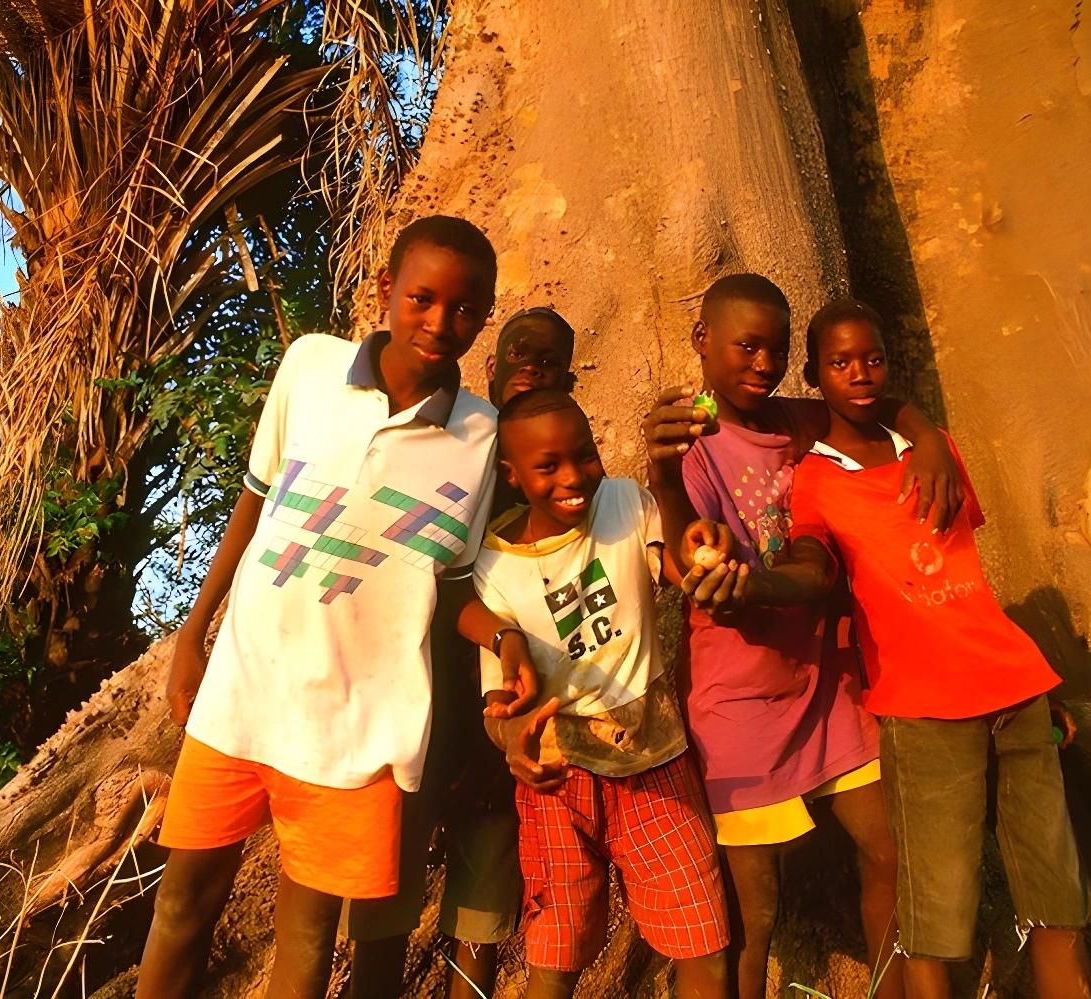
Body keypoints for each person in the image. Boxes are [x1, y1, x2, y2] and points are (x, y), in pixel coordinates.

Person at [137, 216, 538, 999]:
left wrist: (504, 634)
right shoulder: (309, 367)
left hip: (361, 726)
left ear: (485, 315)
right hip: (244, 692)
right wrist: (194, 632)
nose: (439, 322)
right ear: (386, 289)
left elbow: (449, 581)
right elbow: (251, 505)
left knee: (310, 936)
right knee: (182, 904)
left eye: (465, 309)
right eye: (421, 297)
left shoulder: (481, 433)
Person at [696, 298, 1091, 999]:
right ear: (814, 377)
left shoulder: (934, 451)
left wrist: (928, 435)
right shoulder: (813, 480)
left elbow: (964, 580)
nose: (860, 373)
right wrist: (753, 587)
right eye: (840, 362)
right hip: (919, 706)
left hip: (1014, 689)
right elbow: (814, 568)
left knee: (1057, 897)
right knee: (933, 907)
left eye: (872, 358)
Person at [643, 274, 961, 999]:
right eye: (745, 346)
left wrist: (929, 439)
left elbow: (874, 402)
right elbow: (692, 559)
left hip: (828, 685)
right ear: (703, 342)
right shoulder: (689, 443)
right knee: (755, 910)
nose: (762, 363)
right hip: (739, 703)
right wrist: (663, 479)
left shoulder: (793, 422)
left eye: (776, 349)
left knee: (888, 850)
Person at [342, 306, 579, 999]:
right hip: (409, 726)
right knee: (382, 916)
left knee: (480, 921)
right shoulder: (452, 459)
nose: (531, 367)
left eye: (549, 359)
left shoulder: (567, 489)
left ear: (568, 377)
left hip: (502, 747)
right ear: (492, 369)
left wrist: (496, 749)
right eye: (518, 354)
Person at [477, 389, 730, 999]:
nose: (574, 477)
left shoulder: (622, 501)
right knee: (556, 954)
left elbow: (680, 567)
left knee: (703, 941)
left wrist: (680, 505)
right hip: (557, 784)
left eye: (585, 455)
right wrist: (514, 741)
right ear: (511, 476)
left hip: (656, 760)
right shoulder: (493, 566)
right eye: (548, 466)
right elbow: (497, 703)